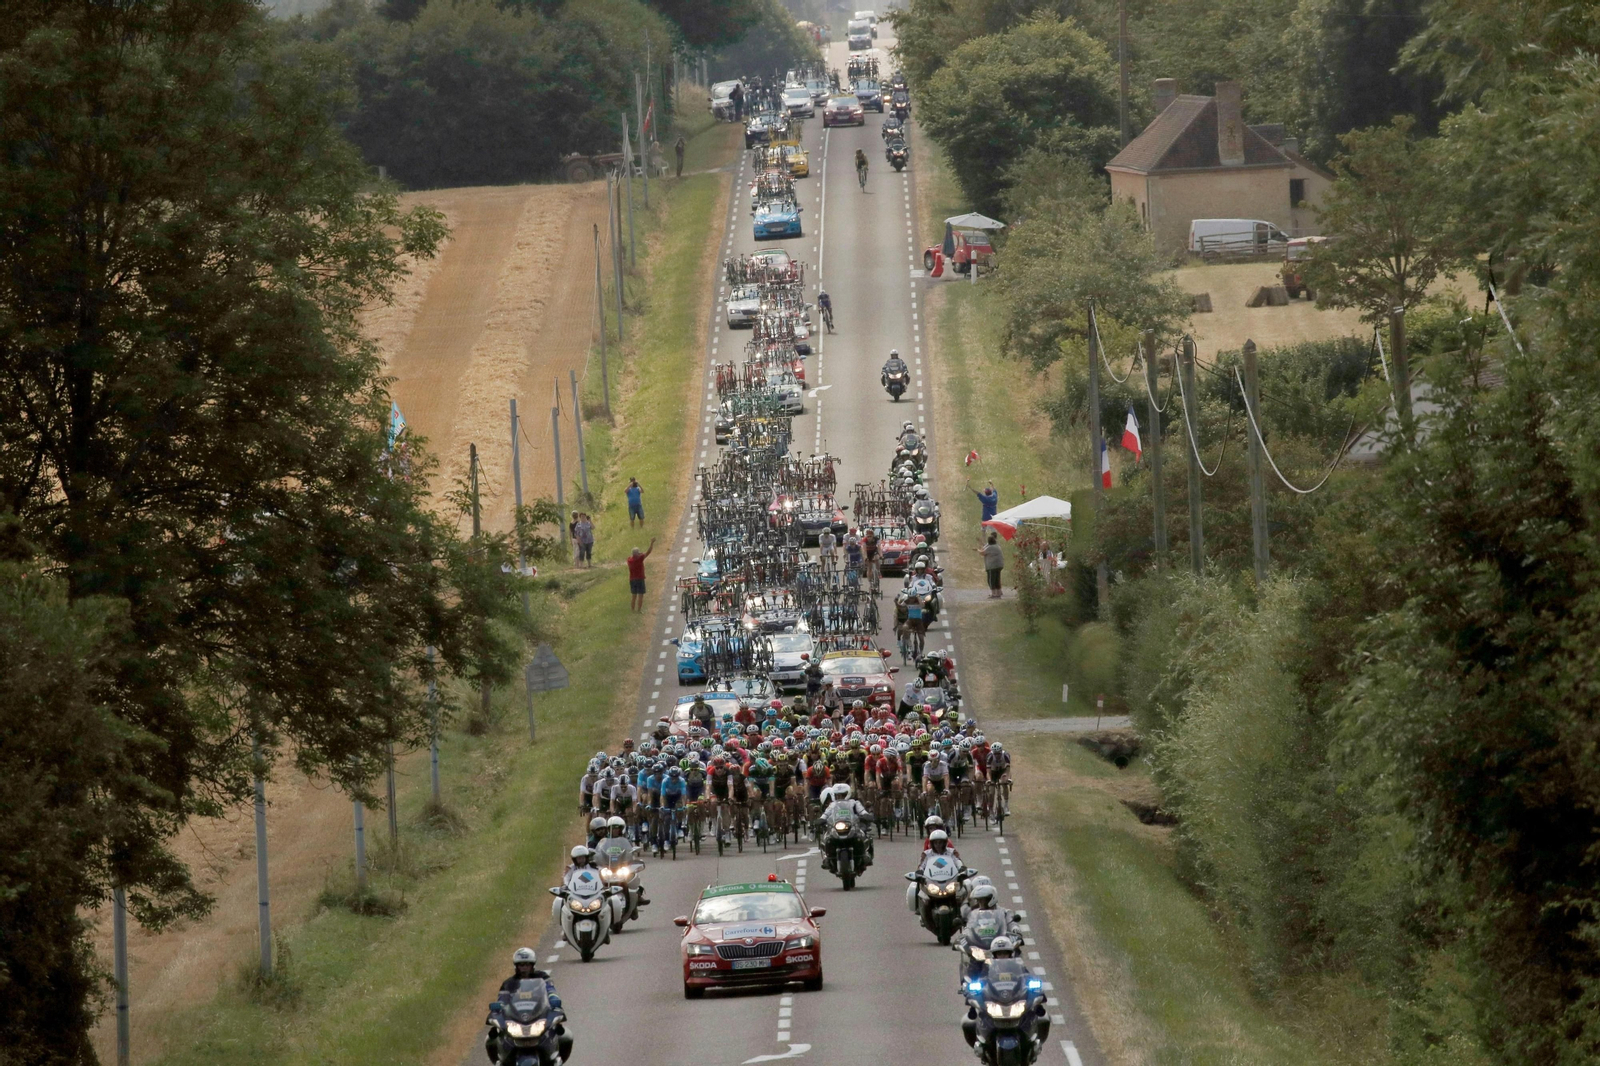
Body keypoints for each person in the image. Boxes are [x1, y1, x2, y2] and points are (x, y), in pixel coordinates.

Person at [486, 948, 564, 1064]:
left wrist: (554, 999)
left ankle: (555, 1061)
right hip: (516, 1019)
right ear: (516, 966)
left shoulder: (543, 977)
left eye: (527, 965)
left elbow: (551, 991)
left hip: (538, 1016)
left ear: (533, 965)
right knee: (490, 1040)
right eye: (521, 965)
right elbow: (502, 1001)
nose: (524, 968)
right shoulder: (508, 983)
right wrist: (498, 1009)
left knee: (566, 1036)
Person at [627, 538, 656, 612]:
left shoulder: (629, 560)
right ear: (637, 554)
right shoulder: (639, 559)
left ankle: (632, 610)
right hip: (640, 579)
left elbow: (633, 556)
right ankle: (639, 610)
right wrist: (651, 543)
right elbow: (648, 552)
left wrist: (638, 554)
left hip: (632, 579)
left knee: (634, 596)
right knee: (640, 595)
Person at [979, 532, 1004, 599]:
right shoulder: (997, 546)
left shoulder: (990, 547)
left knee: (991, 580)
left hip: (992, 566)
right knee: (997, 579)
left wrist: (978, 551)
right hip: (999, 565)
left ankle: (994, 594)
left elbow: (982, 553)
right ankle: (998, 593)